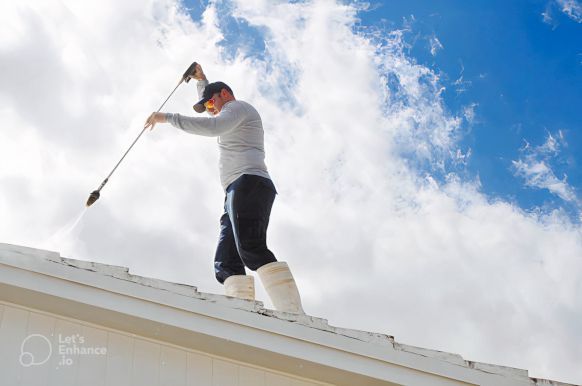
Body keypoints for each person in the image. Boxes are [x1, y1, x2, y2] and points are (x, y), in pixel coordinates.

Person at [144, 63, 304, 314]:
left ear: (226, 95)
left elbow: (214, 126)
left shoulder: (237, 108)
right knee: (226, 262)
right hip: (235, 191)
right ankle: (243, 314)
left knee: (251, 247)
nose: (211, 109)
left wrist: (166, 117)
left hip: (249, 183)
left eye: (212, 103)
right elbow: (213, 114)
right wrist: (201, 80)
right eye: (207, 106)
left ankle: (294, 314)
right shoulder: (226, 112)